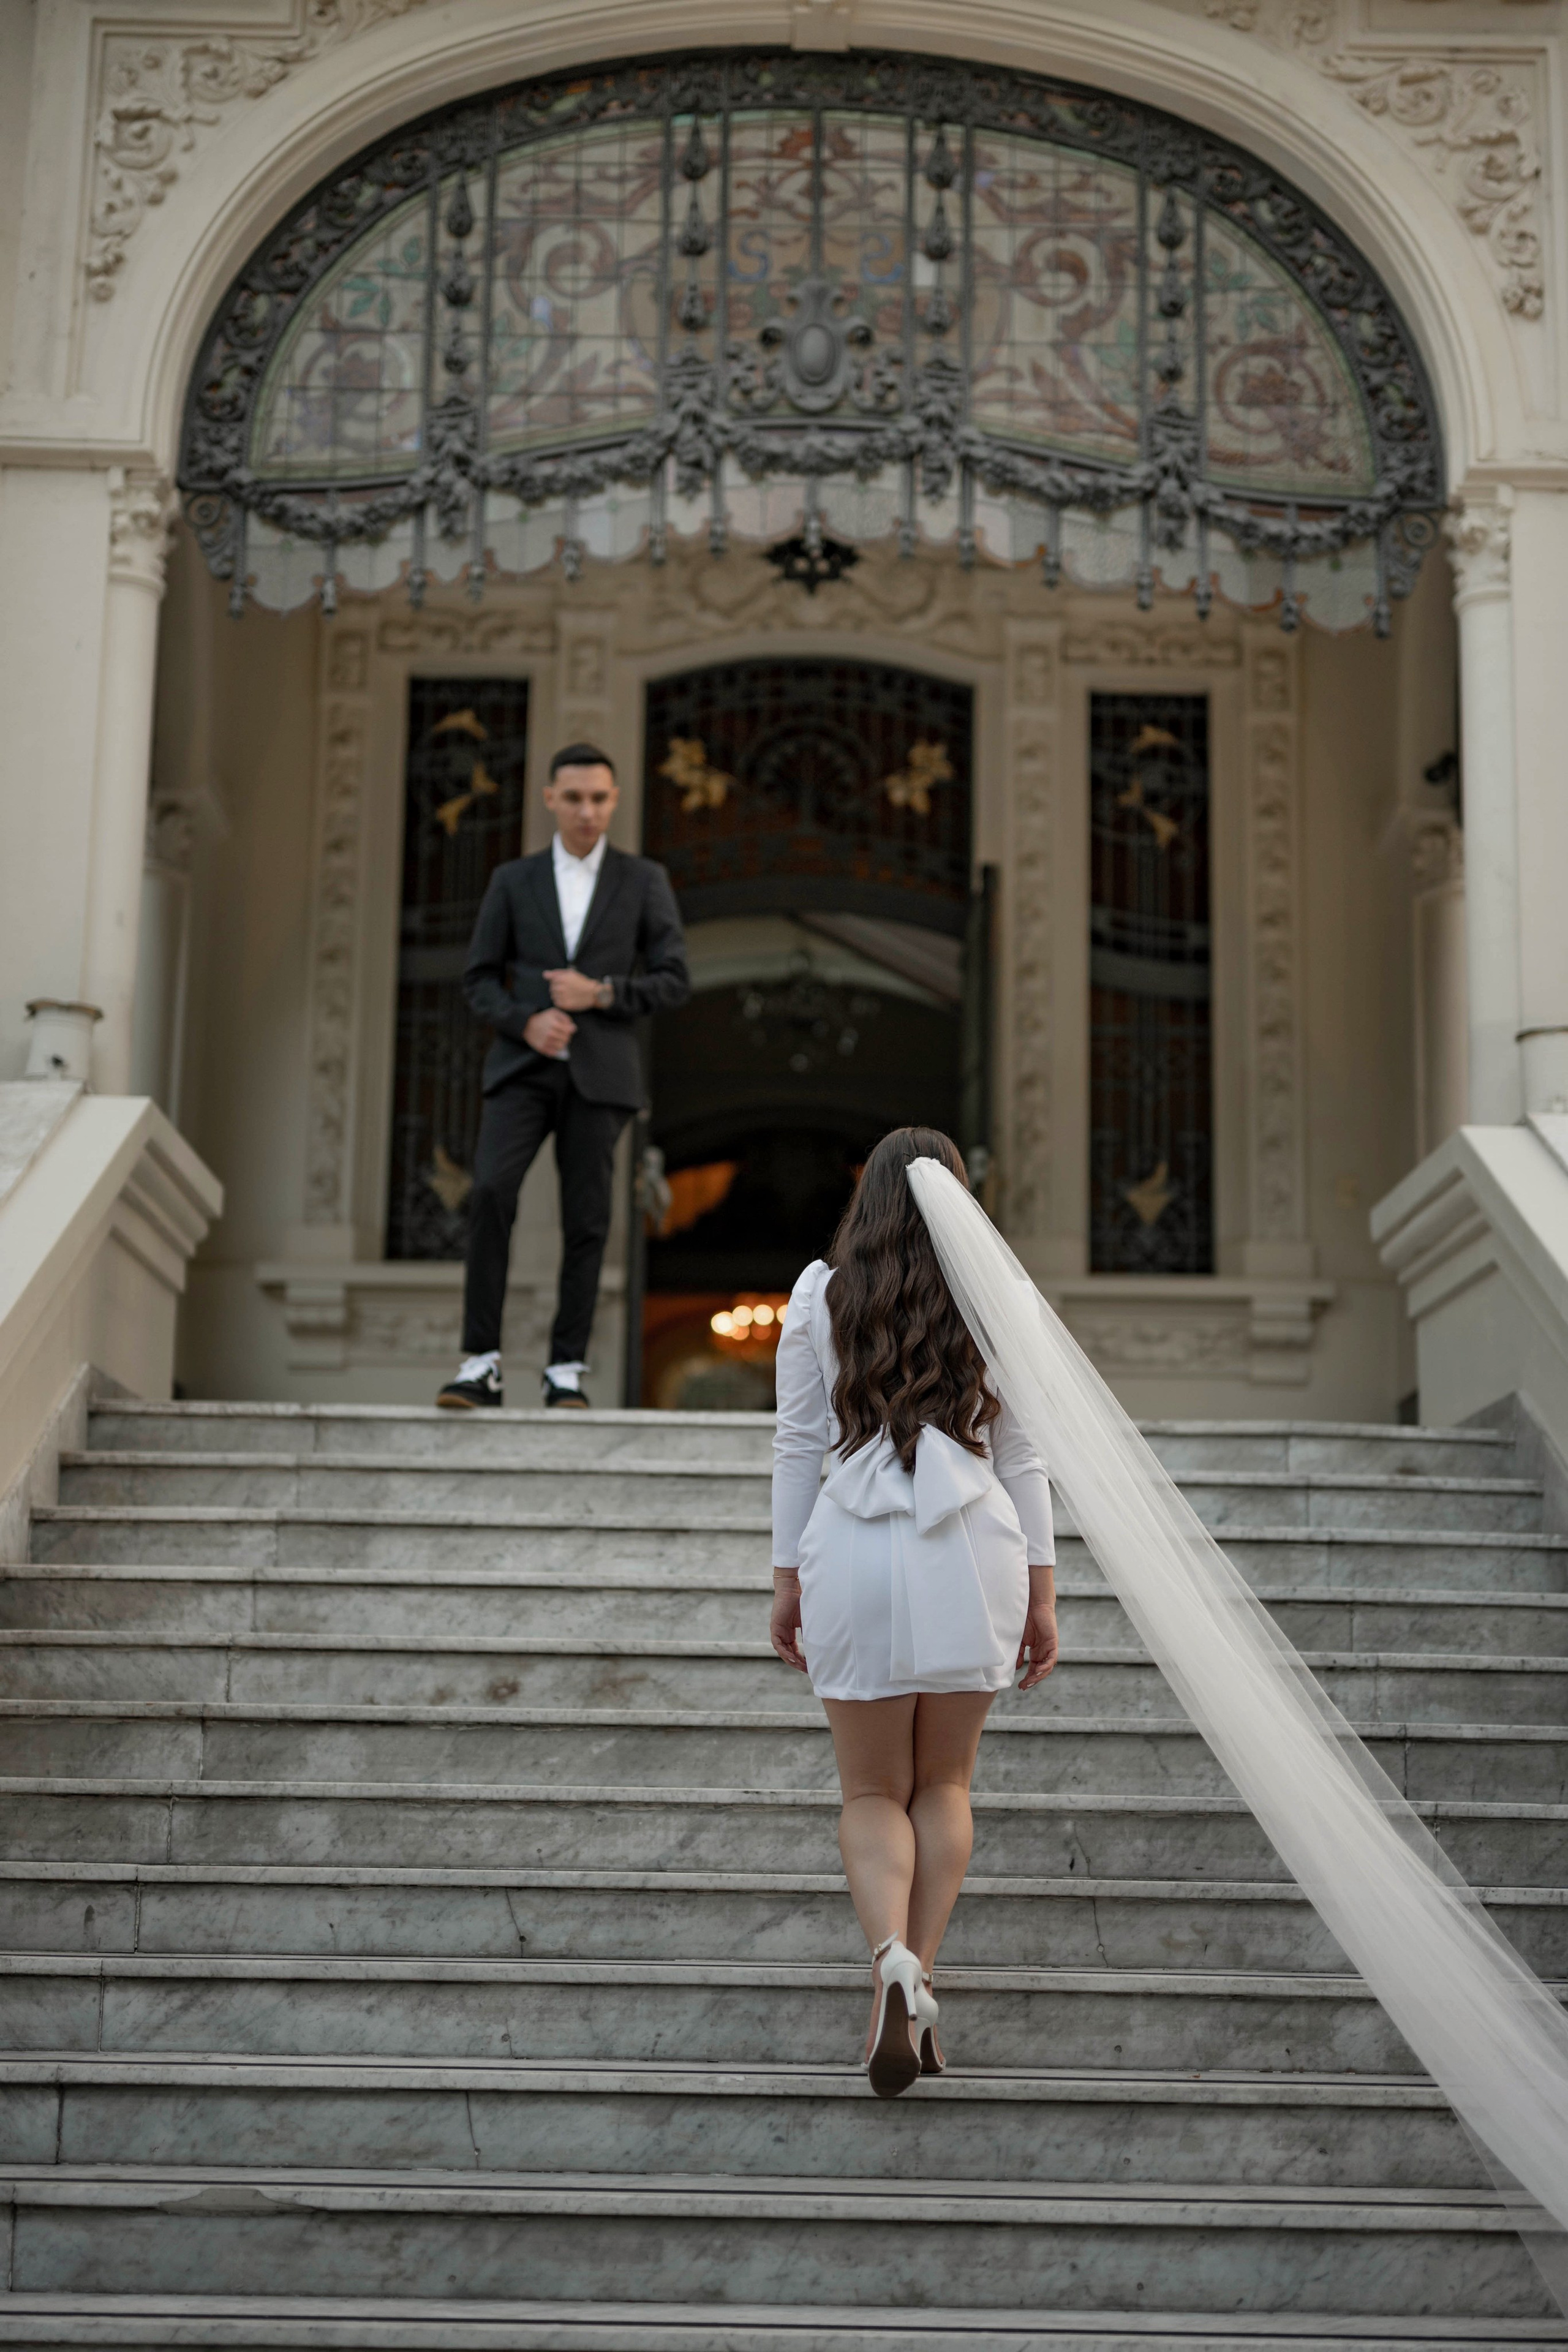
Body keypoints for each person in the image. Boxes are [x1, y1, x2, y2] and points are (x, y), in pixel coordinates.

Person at [769, 1126, 1060, 2096]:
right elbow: (1023, 1456)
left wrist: (785, 1581)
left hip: (851, 1543)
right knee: (944, 1786)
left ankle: (890, 1958)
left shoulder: (820, 1292)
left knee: (868, 1795)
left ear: (869, 1199)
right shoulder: (1003, 1297)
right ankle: (917, 1979)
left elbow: (797, 1444)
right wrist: (1046, 1592)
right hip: (975, 1545)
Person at [437, 744, 689, 1411]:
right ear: (549, 798)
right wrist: (526, 1023)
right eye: (574, 798)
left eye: (600, 799)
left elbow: (674, 979)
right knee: (490, 1192)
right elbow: (477, 980)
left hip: (600, 1076)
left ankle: (565, 1370)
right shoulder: (511, 881)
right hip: (521, 1069)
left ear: (613, 801)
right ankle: (481, 1363)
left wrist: (600, 994)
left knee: (588, 1220)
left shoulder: (643, 881)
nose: (587, 811)